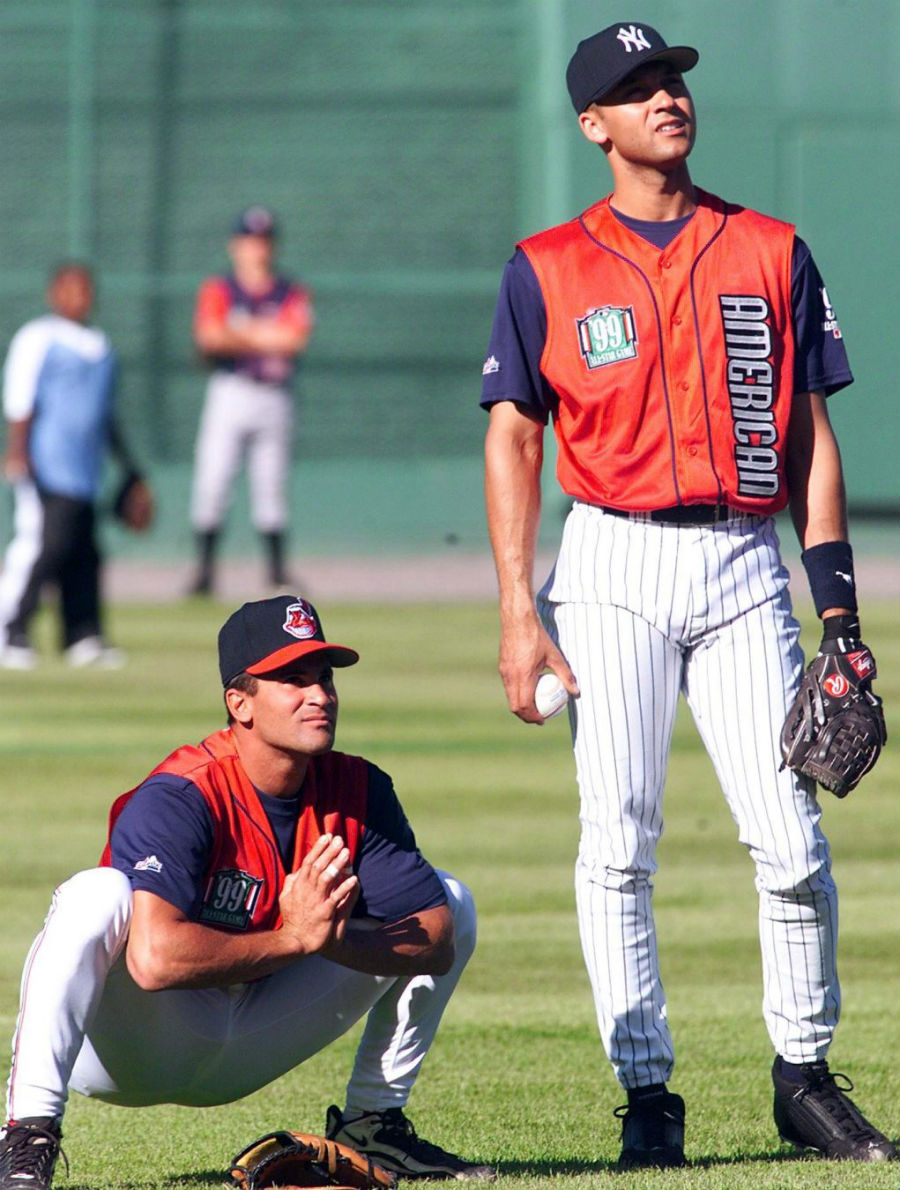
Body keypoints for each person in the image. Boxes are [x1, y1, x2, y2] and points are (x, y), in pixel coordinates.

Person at [481, 20, 894, 1170]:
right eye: (635, 86)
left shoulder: (769, 247)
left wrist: (841, 615)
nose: (665, 97)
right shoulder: (547, 264)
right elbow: (515, 437)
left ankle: (803, 1075)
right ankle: (647, 1090)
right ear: (592, 125)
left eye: (670, 79)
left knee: (791, 837)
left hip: (743, 558)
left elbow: (813, 434)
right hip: (610, 561)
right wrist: (520, 607)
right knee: (618, 839)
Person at [0, 594, 495, 1190]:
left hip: (255, 1035)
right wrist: (295, 938)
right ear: (240, 703)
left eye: (324, 677)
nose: (319, 695)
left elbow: (437, 942)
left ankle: (372, 1123)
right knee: (95, 894)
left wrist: (326, 941)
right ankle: (28, 1133)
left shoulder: (357, 789)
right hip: (130, 1047)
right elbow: (155, 961)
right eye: (292, 679)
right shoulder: (183, 795)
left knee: (452, 901)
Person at [0, 262, 146, 669]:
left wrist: (131, 469)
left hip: (86, 471)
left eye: (85, 290)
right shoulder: (39, 337)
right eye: (71, 289)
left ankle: (82, 633)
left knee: (86, 553)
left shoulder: (100, 346)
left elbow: (106, 416)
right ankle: (11, 628)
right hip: (47, 464)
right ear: (55, 294)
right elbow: (21, 397)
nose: (80, 297)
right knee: (45, 547)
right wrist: (17, 449)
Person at [189, 206, 314, 596]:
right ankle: (204, 572)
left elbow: (295, 339)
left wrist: (240, 331)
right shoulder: (220, 288)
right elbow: (209, 337)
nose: (257, 248)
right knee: (213, 481)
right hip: (232, 389)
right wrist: (266, 333)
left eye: (264, 240)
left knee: (271, 486)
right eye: (250, 240)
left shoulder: (289, 290)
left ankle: (276, 572)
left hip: (275, 394)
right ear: (235, 245)